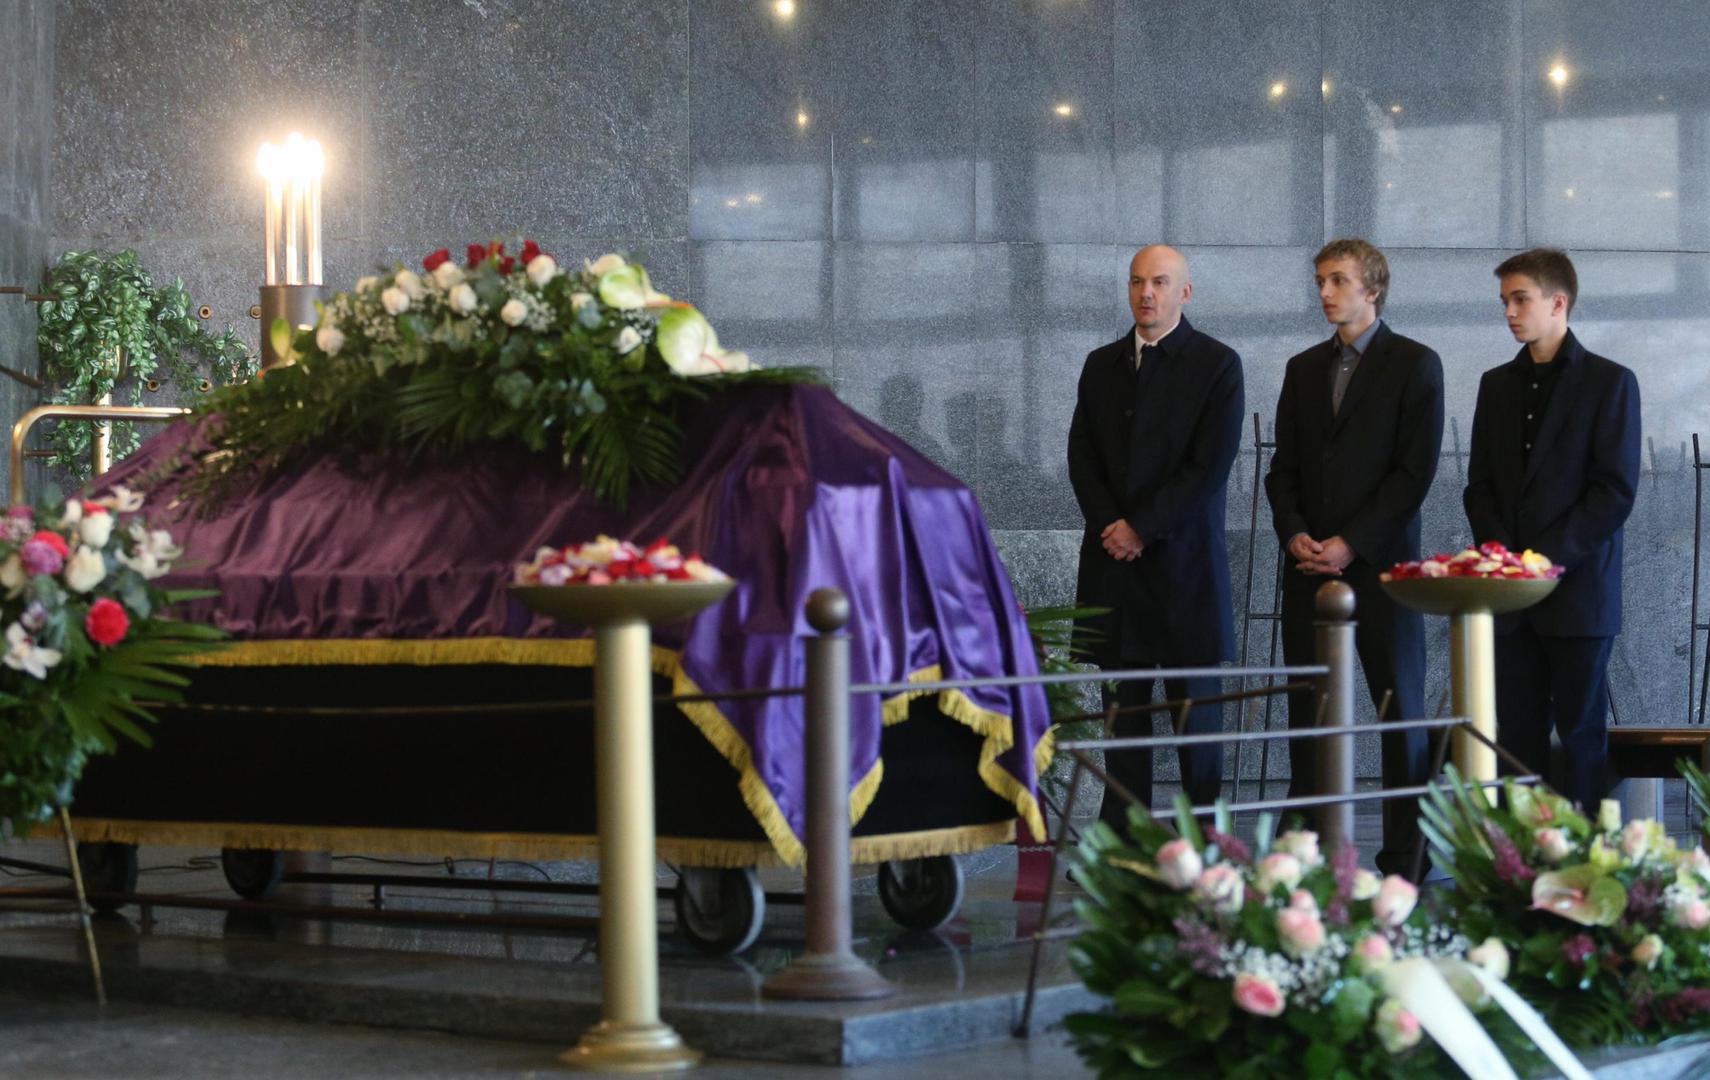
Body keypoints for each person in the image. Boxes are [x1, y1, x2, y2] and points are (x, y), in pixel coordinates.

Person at [1265, 238, 1444, 878]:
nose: (1324, 292)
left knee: (1400, 713)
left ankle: (1408, 859)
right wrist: (1295, 534)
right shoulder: (1302, 368)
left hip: (1383, 570)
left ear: (1373, 288)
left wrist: (1351, 543)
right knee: (1309, 713)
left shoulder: (1416, 364)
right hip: (1307, 569)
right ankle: (1305, 855)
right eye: (1320, 280)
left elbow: (1413, 474)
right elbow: (1282, 470)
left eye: (1338, 280)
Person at [1067, 244, 1244, 825]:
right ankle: (1121, 841)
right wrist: (1112, 528)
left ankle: (1207, 844)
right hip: (1115, 568)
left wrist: (1141, 528)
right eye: (1137, 281)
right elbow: (1082, 457)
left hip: (1184, 569)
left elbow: (1209, 467)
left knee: (1198, 723)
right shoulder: (1101, 364)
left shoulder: (1217, 364)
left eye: (1160, 282)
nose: (1146, 293)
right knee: (1123, 721)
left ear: (1184, 292)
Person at [1465, 248, 1640, 811]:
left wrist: (1540, 560)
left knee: (1582, 738)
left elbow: (1613, 492)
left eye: (1521, 299)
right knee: (1516, 743)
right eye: (1505, 301)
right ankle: (1520, 859)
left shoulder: (1610, 382)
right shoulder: (1495, 384)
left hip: (1579, 594)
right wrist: (1506, 561)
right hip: (1511, 597)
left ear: (1558, 303)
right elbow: (1478, 485)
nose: (1509, 312)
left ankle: (1586, 859)